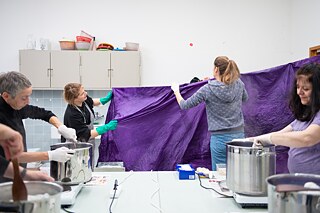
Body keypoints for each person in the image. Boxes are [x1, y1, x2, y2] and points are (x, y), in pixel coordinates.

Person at [171, 56, 248, 170]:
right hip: (239, 137)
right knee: (239, 173)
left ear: (216, 69)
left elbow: (184, 105)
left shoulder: (207, 89)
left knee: (219, 175)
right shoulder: (239, 84)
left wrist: (176, 91)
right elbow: (245, 98)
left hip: (219, 139)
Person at [0, 71, 76, 183]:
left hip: (17, 176)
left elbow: (43, 113)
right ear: (6, 96)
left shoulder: (15, 106)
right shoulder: (2, 115)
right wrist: (50, 155)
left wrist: (61, 127)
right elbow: (11, 157)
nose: (28, 101)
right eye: (24, 97)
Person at [251, 63, 320, 174]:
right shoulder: (305, 115)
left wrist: (268, 139)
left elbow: (307, 138)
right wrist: (249, 141)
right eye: (298, 87)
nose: (299, 92)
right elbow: (282, 134)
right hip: (299, 182)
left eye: (306, 89)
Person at [62, 83, 118, 167]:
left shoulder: (83, 100)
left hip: (87, 143)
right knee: (79, 169)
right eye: (82, 93)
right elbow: (87, 134)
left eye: (84, 90)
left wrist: (105, 99)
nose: (86, 93)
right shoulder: (72, 115)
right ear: (74, 99)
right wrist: (107, 127)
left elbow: (92, 102)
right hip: (76, 147)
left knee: (89, 165)